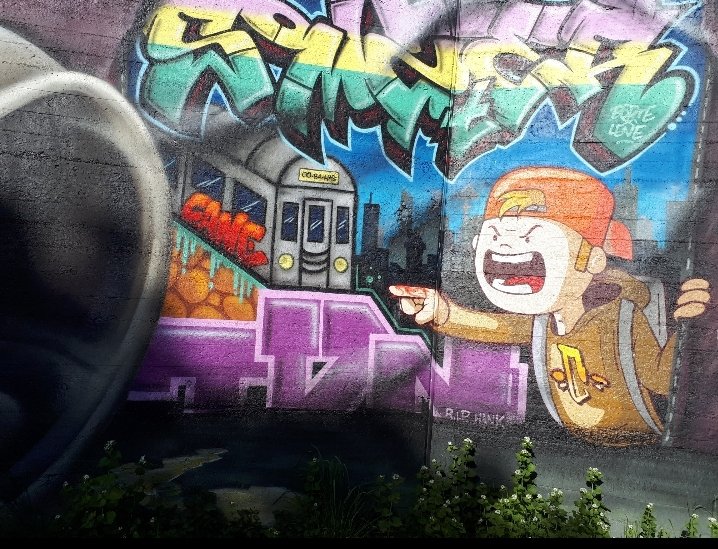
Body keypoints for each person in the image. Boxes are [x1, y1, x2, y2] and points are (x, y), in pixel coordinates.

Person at [390, 166, 711, 446]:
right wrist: (442, 312)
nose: (505, 246)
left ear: (592, 260)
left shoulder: (622, 323)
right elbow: (496, 327)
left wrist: (687, 326)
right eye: (494, 235)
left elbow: (661, 378)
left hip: (635, 452)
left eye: (530, 236)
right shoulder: (544, 324)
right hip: (574, 451)